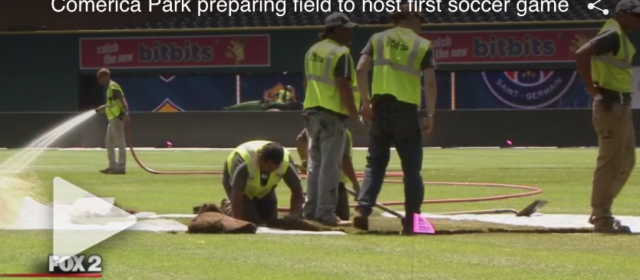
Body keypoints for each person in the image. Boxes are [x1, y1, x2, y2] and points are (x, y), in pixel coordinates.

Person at [353, 4, 437, 234]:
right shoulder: (422, 44)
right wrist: (430, 114)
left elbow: (361, 69)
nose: (422, 21)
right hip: (406, 112)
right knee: (412, 170)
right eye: (420, 17)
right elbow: (430, 82)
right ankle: (412, 221)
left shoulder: (377, 39)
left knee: (375, 164)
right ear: (409, 17)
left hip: (380, 109)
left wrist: (365, 103)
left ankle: (363, 209)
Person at [574, 0, 640, 234]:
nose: (639, 21)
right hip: (611, 105)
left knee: (626, 161)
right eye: (636, 16)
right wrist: (593, 89)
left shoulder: (619, 35)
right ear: (623, 14)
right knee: (610, 163)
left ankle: (602, 210)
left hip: (621, 104)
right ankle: (602, 216)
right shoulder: (612, 34)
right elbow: (581, 54)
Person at [302, 12, 362, 226]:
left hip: (312, 114)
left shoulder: (312, 51)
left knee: (315, 165)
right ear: (335, 30)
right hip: (332, 115)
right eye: (346, 28)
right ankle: (326, 212)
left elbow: (307, 82)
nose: (350, 32)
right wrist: (355, 116)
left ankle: (310, 210)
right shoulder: (341, 53)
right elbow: (343, 85)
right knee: (330, 166)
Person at [220, 140, 305, 225]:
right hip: (237, 186)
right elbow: (237, 195)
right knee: (251, 220)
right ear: (259, 157)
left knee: (271, 220)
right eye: (265, 165)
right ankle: (228, 206)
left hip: (265, 188)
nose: (267, 170)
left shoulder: (286, 163)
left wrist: (294, 216)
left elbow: (297, 190)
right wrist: (239, 223)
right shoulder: (244, 162)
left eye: (272, 168)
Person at [296, 128, 360, 220]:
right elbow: (344, 160)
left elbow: (301, 139)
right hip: (334, 183)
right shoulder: (341, 132)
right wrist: (355, 183)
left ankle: (310, 215)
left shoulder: (315, 126)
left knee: (312, 212)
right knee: (342, 216)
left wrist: (305, 160)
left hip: (314, 182)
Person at [95, 68, 130, 175]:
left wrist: (126, 113)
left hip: (118, 118)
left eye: (100, 78)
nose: (99, 81)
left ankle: (121, 167)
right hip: (112, 119)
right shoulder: (110, 88)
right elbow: (112, 104)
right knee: (108, 142)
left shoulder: (113, 86)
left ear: (106, 76)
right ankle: (112, 166)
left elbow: (122, 100)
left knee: (120, 143)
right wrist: (104, 108)